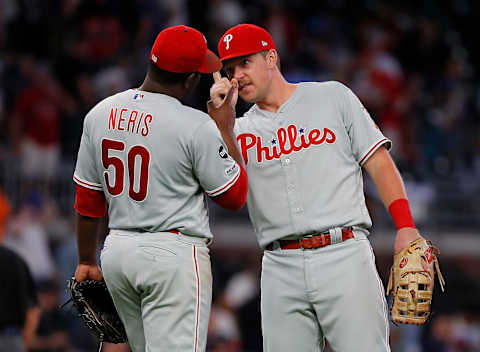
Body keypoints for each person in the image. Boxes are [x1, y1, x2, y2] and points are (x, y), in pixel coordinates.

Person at [210, 23, 423, 352]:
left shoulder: (331, 97)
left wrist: (406, 226)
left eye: (245, 62)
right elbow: (228, 193)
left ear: (271, 58)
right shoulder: (236, 130)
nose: (237, 75)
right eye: (229, 69)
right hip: (280, 266)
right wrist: (223, 126)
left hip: (344, 254)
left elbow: (379, 162)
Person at [72, 25, 247, 352]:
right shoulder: (196, 125)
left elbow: (88, 200)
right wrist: (225, 126)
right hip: (172, 257)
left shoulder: (100, 113)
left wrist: (86, 259)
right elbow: (234, 196)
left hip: (118, 251)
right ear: (191, 80)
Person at [0, 189, 40, 352]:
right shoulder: (15, 260)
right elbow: (33, 310)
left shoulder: (14, 259)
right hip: (12, 339)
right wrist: (24, 342)